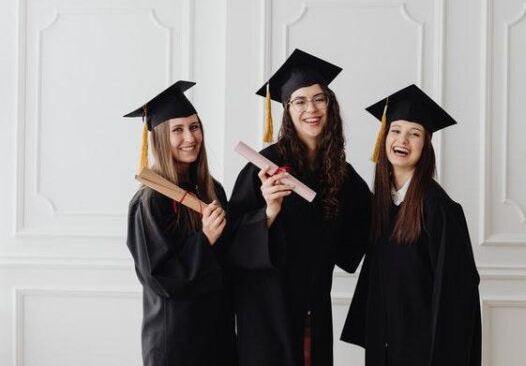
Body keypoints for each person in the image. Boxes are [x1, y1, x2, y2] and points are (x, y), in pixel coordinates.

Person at [227, 49, 372, 366]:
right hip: (266, 311)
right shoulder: (263, 168)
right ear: (287, 110)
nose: (312, 109)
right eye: (300, 101)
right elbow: (230, 243)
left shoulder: (341, 173)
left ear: (330, 105)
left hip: (314, 308)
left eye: (319, 99)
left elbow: (362, 232)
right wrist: (268, 211)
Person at [341, 84, 481, 365]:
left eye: (414, 133)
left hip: (425, 351)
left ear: (426, 145)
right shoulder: (382, 204)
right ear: (384, 137)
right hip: (384, 346)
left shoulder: (438, 208)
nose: (402, 139)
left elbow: (457, 295)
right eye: (395, 130)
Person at [124, 81, 237, 366]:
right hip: (176, 340)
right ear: (161, 137)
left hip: (218, 332)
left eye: (195, 126)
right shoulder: (150, 202)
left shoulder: (213, 190)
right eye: (178, 130)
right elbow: (158, 277)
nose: (190, 137)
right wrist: (205, 239)